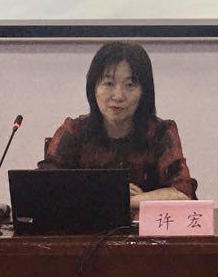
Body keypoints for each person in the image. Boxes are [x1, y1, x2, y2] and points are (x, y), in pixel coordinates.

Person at [42, 41, 197, 209]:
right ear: (93, 88)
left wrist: (125, 200)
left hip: (144, 227)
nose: (118, 96)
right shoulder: (75, 131)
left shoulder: (160, 133)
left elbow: (183, 193)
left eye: (130, 85)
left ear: (144, 92)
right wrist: (109, 193)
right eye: (108, 83)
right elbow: (43, 185)